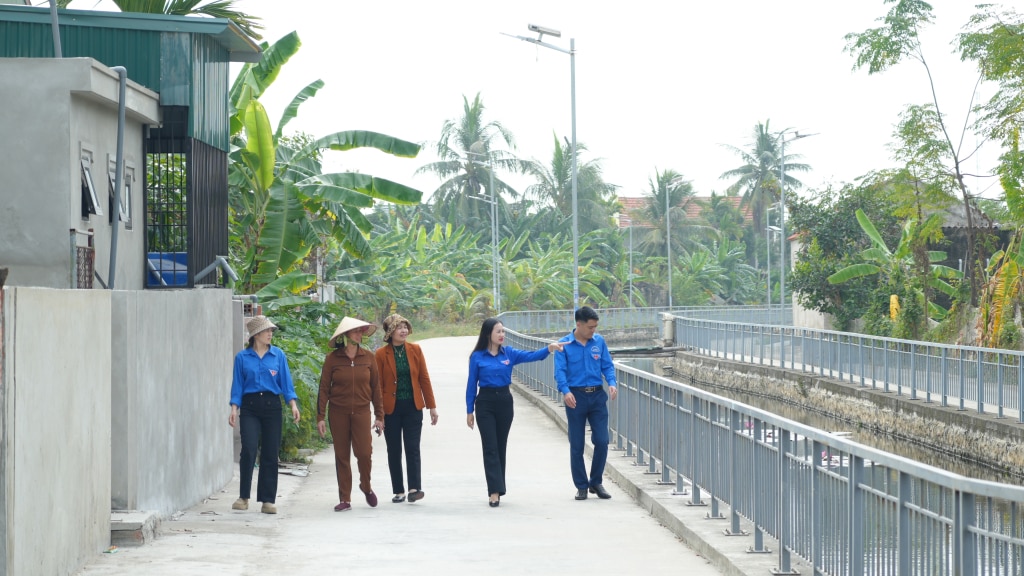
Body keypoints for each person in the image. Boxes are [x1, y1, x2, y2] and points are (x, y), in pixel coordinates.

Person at [466, 318, 563, 507]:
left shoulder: (509, 353)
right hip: (485, 402)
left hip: (504, 401)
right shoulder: (477, 357)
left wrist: (549, 349)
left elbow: (531, 356)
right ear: (488, 334)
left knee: (500, 445)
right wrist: (469, 410)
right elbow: (471, 385)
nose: (502, 335)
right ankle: (493, 491)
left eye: (503, 331)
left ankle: (498, 486)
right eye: (498, 332)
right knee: (490, 447)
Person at [228, 315, 301, 515]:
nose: (270, 334)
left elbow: (286, 384)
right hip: (250, 407)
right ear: (256, 334)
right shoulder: (242, 358)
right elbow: (238, 386)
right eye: (267, 331)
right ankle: (243, 496)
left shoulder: (278, 356)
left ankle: (268, 500)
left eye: (271, 331)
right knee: (249, 449)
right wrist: (234, 408)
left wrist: (293, 405)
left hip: (272, 406)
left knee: (270, 452)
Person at [317, 316, 384, 512]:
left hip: (362, 412)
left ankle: (366, 485)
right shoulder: (332, 359)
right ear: (345, 335)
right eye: (356, 331)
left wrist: (380, 416)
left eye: (361, 331)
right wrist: (320, 417)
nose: (360, 334)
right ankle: (345, 497)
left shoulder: (369, 358)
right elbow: (323, 389)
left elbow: (376, 389)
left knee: (364, 453)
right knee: (342, 456)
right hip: (338, 412)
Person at [553, 306, 618, 501]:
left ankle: (595, 482)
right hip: (576, 397)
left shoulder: (599, 342)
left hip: (597, 396)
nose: (593, 331)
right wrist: (565, 391)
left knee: (602, 440)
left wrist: (612, 383)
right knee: (577, 444)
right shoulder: (563, 345)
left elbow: (607, 365)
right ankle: (581, 485)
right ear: (578, 324)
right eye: (590, 327)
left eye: (595, 327)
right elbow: (560, 372)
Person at [374, 314, 438, 504]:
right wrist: (379, 414)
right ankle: (398, 490)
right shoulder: (380, 354)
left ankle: (414, 488)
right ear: (390, 332)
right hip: (390, 409)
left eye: (405, 327)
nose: (403, 330)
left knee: (412, 448)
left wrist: (432, 406)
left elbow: (424, 378)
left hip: (413, 406)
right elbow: (377, 386)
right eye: (398, 327)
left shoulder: (415, 350)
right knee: (393, 450)